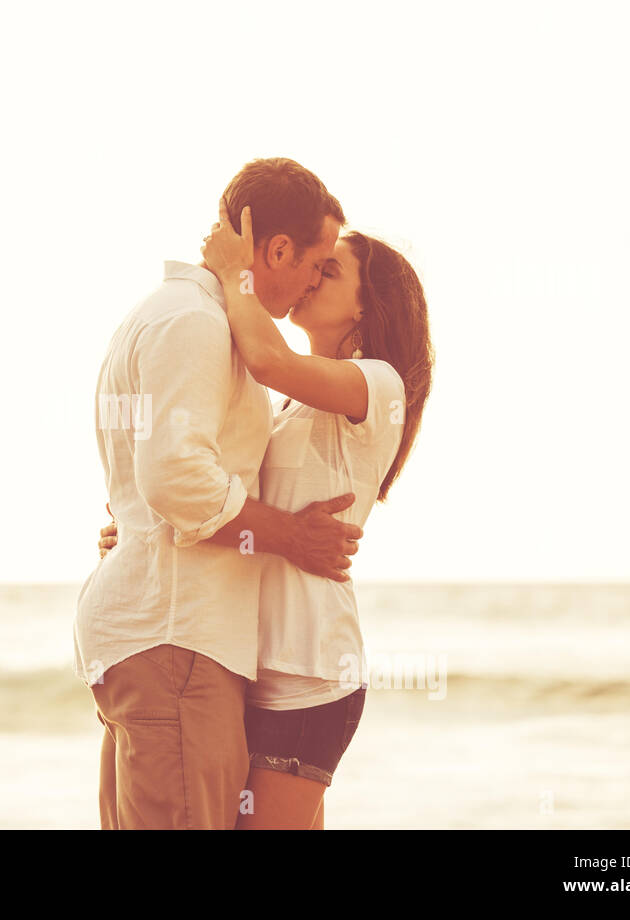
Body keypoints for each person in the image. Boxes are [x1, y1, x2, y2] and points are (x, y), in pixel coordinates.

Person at [98, 200, 434, 828]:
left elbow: (268, 358)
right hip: (256, 666)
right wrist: (149, 528)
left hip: (308, 670)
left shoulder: (379, 384)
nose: (311, 279)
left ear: (366, 306)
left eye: (329, 273)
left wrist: (235, 275)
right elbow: (222, 495)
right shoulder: (291, 409)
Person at [74, 158, 363, 830]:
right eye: (316, 263)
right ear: (278, 249)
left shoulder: (184, 316)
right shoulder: (194, 324)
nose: (315, 281)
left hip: (163, 639)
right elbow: (177, 475)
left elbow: (156, 482)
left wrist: (138, 528)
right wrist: (294, 537)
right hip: (176, 646)